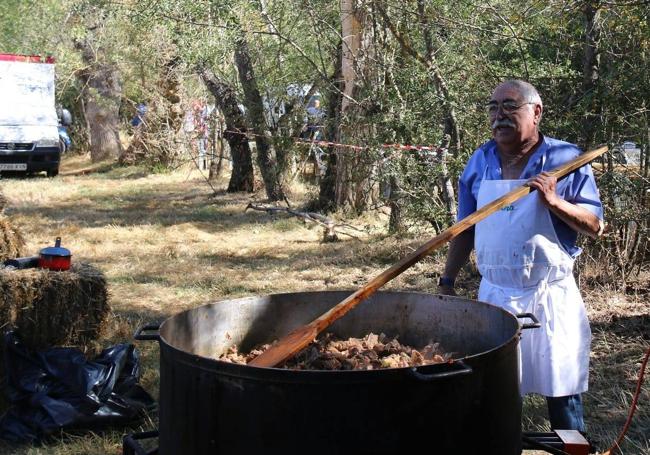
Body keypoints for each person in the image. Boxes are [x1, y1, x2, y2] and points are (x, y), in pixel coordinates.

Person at [438, 80, 604, 433]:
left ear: (536, 112)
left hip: (550, 298)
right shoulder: (479, 162)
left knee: (563, 395)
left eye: (510, 106)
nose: (500, 116)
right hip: (496, 296)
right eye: (493, 107)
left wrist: (555, 202)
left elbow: (594, 225)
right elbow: (464, 229)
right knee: (495, 394)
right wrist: (447, 281)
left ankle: (573, 447)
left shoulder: (566, 160)